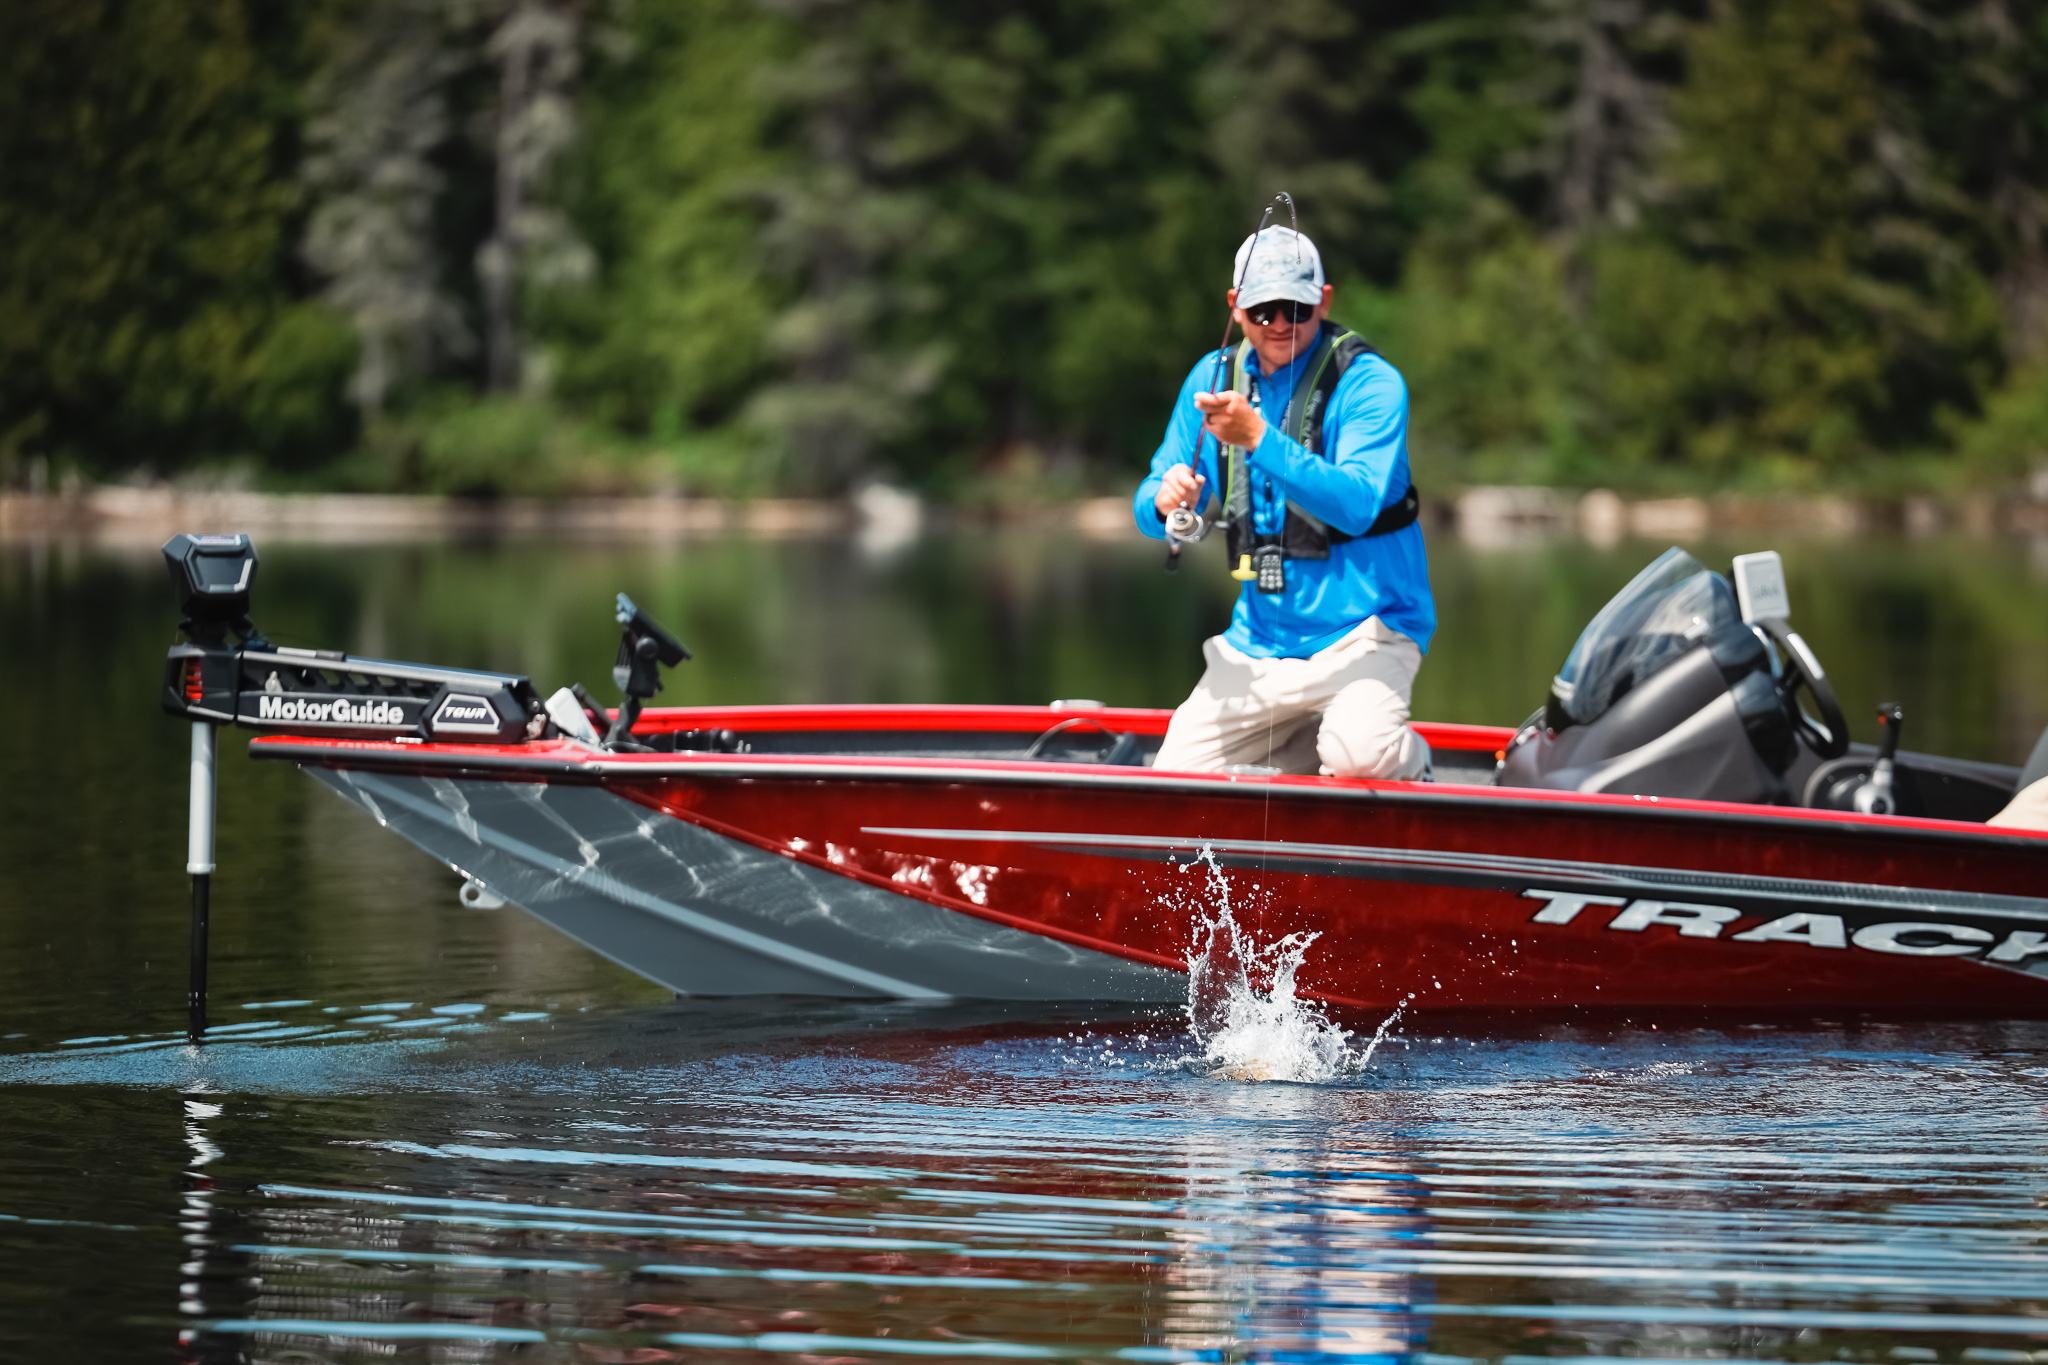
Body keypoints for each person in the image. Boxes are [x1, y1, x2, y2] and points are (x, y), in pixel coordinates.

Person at [1132, 225, 1435, 779]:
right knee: (1174, 786)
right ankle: (1305, 745)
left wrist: (1258, 439)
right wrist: (1167, 501)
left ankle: (1414, 761)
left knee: (1359, 757)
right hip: (1257, 644)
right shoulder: (1212, 377)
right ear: (1236, 307)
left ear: (1324, 301)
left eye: (1295, 309)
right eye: (1262, 309)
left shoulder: (1371, 384)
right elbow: (1154, 505)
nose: (1277, 325)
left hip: (1368, 633)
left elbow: (1358, 503)